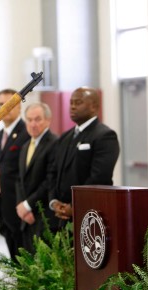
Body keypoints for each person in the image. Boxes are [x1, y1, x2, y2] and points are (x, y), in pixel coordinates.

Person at [48, 86, 120, 228]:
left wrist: (75, 206)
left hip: (90, 214)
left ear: (94, 107)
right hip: (62, 214)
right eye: (71, 102)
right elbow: (53, 171)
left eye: (78, 103)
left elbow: (100, 177)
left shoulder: (105, 136)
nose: (73, 107)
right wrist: (54, 202)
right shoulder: (65, 137)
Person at [15, 102, 59, 253]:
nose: (33, 124)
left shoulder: (55, 144)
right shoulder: (26, 146)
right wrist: (22, 206)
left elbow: (49, 181)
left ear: (48, 120)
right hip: (26, 217)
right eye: (29, 119)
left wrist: (28, 205)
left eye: (38, 119)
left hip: (43, 215)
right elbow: (20, 179)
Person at [0, 88, 30, 260]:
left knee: (23, 252)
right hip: (3, 202)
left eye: (9, 104)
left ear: (19, 107)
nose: (5, 108)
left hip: (19, 202)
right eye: (1, 105)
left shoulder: (27, 132)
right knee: (12, 249)